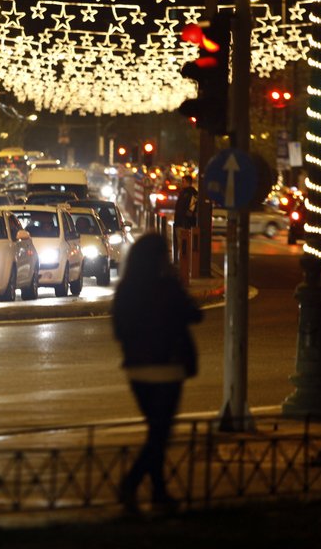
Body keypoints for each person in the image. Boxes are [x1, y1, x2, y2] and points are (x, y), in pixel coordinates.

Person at [112, 232, 202, 512]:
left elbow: (119, 329)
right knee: (159, 436)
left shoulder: (126, 289)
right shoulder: (167, 286)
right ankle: (133, 483)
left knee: (157, 432)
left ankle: (158, 491)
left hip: (138, 371)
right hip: (167, 369)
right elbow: (195, 314)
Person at [172, 175, 197, 261]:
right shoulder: (183, 192)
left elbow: (191, 209)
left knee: (184, 245)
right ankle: (182, 263)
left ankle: (185, 264)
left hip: (185, 223)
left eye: (183, 181)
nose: (182, 183)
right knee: (181, 245)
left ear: (188, 182)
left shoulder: (192, 194)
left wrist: (185, 219)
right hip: (180, 222)